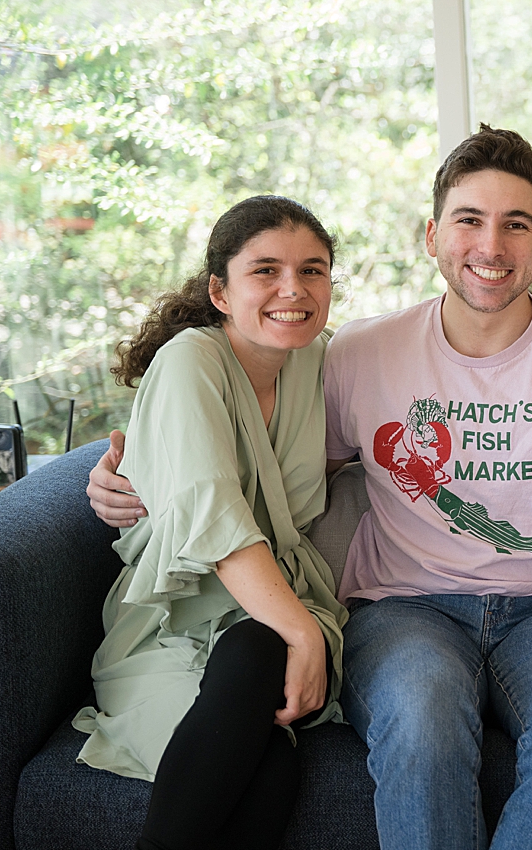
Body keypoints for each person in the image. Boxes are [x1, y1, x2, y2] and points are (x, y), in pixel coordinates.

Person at [88, 125, 532, 850]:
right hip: (402, 609)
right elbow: (240, 454)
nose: (491, 247)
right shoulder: (359, 355)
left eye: (515, 225)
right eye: (469, 221)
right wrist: (127, 471)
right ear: (432, 235)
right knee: (421, 724)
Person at [74, 196, 347, 850]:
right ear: (220, 291)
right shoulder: (191, 361)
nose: (294, 289)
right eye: (266, 271)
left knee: (263, 697)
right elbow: (213, 519)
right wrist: (304, 635)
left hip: (276, 608)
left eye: (313, 270)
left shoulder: (324, 362)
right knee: (267, 752)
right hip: (173, 617)